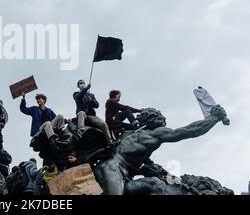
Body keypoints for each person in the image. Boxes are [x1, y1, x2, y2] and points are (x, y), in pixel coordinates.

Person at [94, 106, 229, 195]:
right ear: (152, 118)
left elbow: (145, 163)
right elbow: (190, 130)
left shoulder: (129, 133)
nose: (164, 120)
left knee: (155, 183)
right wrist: (214, 118)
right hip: (111, 169)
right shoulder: (155, 133)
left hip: (124, 176)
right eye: (160, 117)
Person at [73, 80, 113, 144]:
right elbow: (78, 98)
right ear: (78, 86)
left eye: (83, 83)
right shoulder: (76, 93)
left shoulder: (91, 95)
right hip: (83, 114)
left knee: (103, 124)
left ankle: (110, 142)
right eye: (80, 83)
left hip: (91, 116)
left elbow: (97, 105)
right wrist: (86, 89)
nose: (82, 84)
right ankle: (80, 131)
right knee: (81, 113)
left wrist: (91, 100)